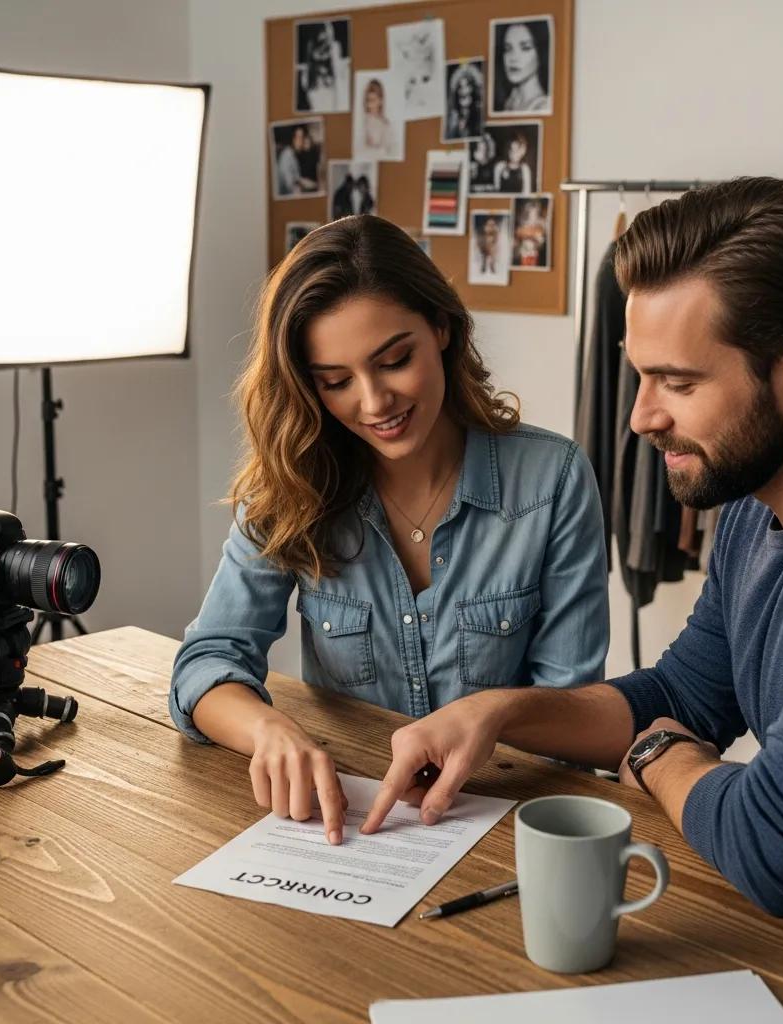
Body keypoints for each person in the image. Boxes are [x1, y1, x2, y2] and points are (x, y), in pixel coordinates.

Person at [361, 178, 783, 917]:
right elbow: (683, 697)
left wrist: (658, 756)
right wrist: (498, 713)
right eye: (640, 376)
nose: (639, 417)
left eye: (676, 382)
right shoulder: (751, 503)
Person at [170, 215, 610, 846]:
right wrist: (270, 730)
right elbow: (206, 661)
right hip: (351, 830)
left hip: (510, 822)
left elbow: (576, 709)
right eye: (336, 382)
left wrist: (489, 725)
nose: (374, 403)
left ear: (443, 328)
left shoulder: (553, 479)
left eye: (395, 360)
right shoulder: (292, 487)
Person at [495, 21, 550, 113]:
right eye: (508, 49)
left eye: (525, 48)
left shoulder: (544, 107)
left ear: (541, 52)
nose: (513, 58)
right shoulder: (509, 102)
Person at [445, 61, 484, 140]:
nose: (463, 91)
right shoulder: (454, 116)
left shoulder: (479, 114)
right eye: (460, 87)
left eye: (467, 86)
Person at [276, 125, 317, 196]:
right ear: (293, 139)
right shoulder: (287, 155)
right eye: (299, 138)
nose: (301, 141)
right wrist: (305, 188)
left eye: (302, 138)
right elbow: (289, 186)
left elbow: (295, 178)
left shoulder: (293, 154)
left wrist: (305, 182)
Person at [361, 79, 395, 158]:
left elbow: (386, 152)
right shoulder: (364, 120)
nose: (369, 105)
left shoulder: (385, 125)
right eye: (367, 100)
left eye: (373, 100)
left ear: (380, 101)